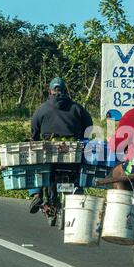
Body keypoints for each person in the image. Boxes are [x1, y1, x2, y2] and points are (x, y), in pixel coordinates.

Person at [28, 77, 93, 213]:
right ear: (65, 91)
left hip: (49, 151)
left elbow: (34, 127)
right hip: (72, 151)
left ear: (50, 91)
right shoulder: (77, 108)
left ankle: (36, 193)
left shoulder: (42, 109)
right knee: (77, 170)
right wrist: (83, 138)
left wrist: (33, 139)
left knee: (36, 166)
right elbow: (89, 126)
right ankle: (77, 190)